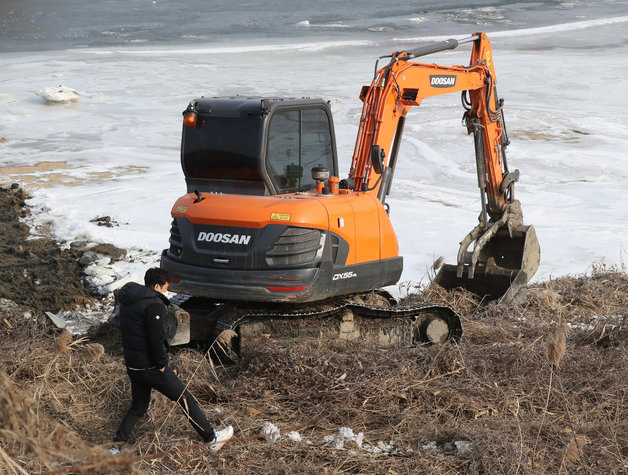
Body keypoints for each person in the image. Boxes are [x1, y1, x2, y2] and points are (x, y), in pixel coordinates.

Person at [113, 267, 233, 451]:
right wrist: (161, 364)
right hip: (151, 367)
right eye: (165, 287)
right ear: (157, 285)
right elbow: (156, 338)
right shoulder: (154, 305)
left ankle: (115, 447)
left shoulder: (129, 301)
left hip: (134, 365)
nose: (166, 291)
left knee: (138, 406)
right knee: (186, 399)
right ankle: (211, 439)